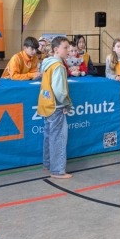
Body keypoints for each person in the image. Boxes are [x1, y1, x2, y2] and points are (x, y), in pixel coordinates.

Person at [37, 36, 73, 179]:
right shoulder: (58, 66)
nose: (68, 50)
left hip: (46, 104)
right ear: (56, 49)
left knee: (49, 136)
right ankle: (57, 170)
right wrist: (67, 103)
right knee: (58, 138)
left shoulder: (47, 63)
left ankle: (48, 164)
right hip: (56, 106)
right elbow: (59, 91)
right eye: (65, 47)